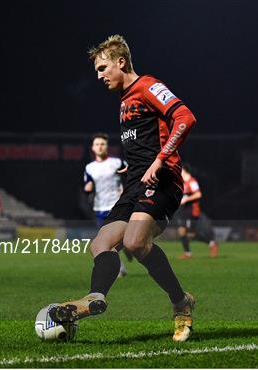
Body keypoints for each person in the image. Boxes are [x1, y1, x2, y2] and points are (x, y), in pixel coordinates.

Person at [50, 35, 197, 342]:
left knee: (134, 243)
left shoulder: (148, 86)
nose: (99, 76)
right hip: (134, 185)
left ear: (120, 62)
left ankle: (181, 304)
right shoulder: (124, 100)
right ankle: (95, 298)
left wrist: (159, 160)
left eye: (103, 68)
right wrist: (132, 165)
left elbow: (185, 117)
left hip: (162, 181)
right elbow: (143, 139)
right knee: (100, 244)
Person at [83, 132, 131, 277]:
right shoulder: (89, 167)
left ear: (107, 146)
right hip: (99, 208)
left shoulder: (116, 162)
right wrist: (88, 187)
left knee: (113, 242)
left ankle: (120, 266)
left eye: (102, 144)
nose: (100, 146)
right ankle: (125, 255)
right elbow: (88, 183)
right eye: (97, 144)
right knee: (106, 241)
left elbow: (132, 173)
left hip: (117, 206)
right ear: (92, 147)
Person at [175, 164, 219, 259]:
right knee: (182, 231)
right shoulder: (181, 182)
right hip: (183, 211)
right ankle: (187, 253)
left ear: (184, 170)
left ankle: (211, 242)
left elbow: (198, 194)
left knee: (191, 234)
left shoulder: (192, 181)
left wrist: (186, 199)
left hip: (191, 211)